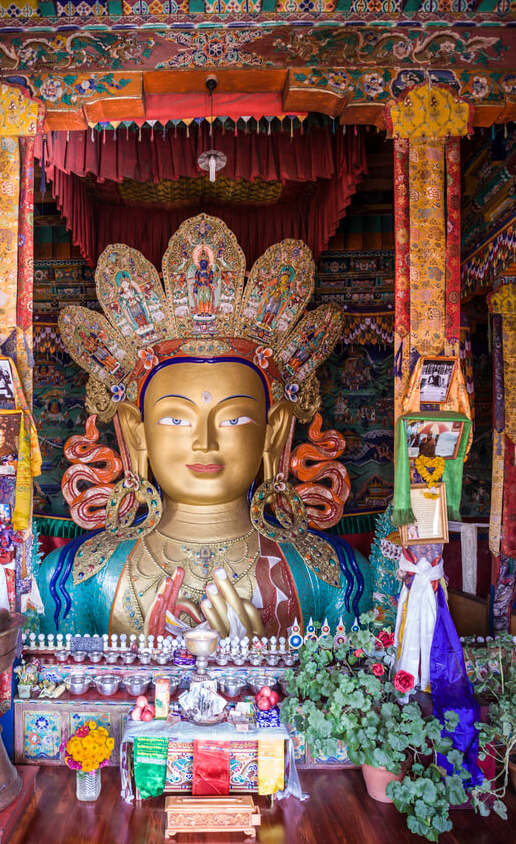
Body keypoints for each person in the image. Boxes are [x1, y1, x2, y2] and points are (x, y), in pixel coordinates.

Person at [42, 215, 372, 638]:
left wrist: (261, 658)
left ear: (272, 432)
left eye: (234, 418)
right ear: (137, 432)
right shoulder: (78, 579)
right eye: (177, 418)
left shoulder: (330, 577)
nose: (205, 441)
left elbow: (349, 691)